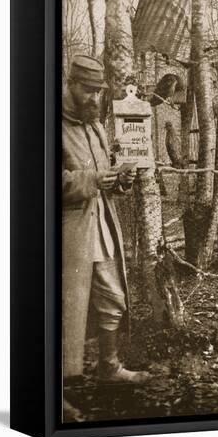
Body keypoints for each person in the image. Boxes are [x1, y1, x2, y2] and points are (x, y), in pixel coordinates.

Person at [62, 55, 150, 392]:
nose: (94, 98)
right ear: (70, 85)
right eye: (88, 91)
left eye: (98, 92)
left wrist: (120, 179)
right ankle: (59, 390)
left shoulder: (96, 125)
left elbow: (105, 172)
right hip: (70, 233)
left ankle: (108, 366)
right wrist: (94, 179)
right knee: (66, 308)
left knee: (113, 297)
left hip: (102, 226)